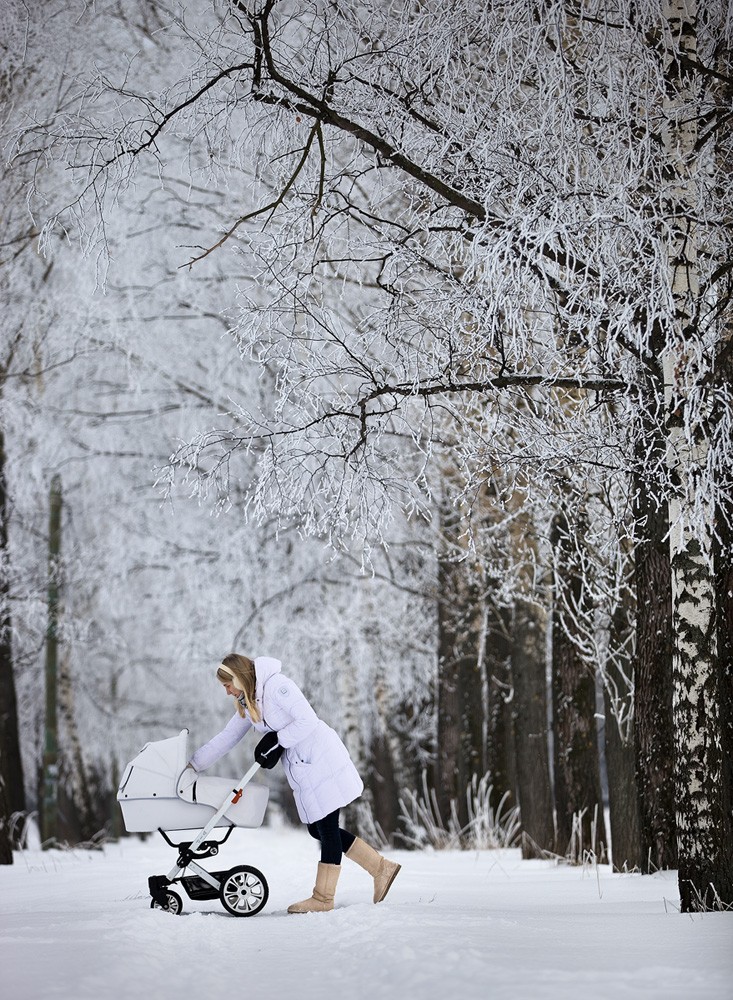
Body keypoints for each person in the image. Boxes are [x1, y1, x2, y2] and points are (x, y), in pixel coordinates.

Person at [185, 652, 401, 913]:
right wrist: (193, 765)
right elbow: (226, 737)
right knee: (316, 830)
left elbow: (307, 720)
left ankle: (323, 898)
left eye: (227, 684)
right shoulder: (249, 701)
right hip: (304, 766)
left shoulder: (277, 686)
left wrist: (277, 740)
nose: (227, 691)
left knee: (327, 828)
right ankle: (381, 868)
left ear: (239, 678)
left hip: (320, 758)